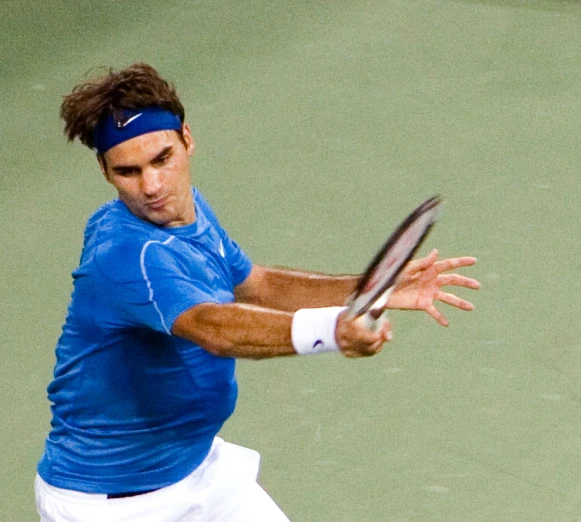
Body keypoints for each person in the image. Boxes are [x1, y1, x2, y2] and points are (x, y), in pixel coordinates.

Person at [35, 63, 480, 522]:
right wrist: (332, 330)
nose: (151, 186)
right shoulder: (129, 253)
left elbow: (258, 285)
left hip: (199, 469)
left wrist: (369, 288)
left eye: (161, 160)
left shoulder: (187, 212)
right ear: (105, 171)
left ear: (186, 139)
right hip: (113, 506)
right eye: (128, 171)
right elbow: (213, 327)